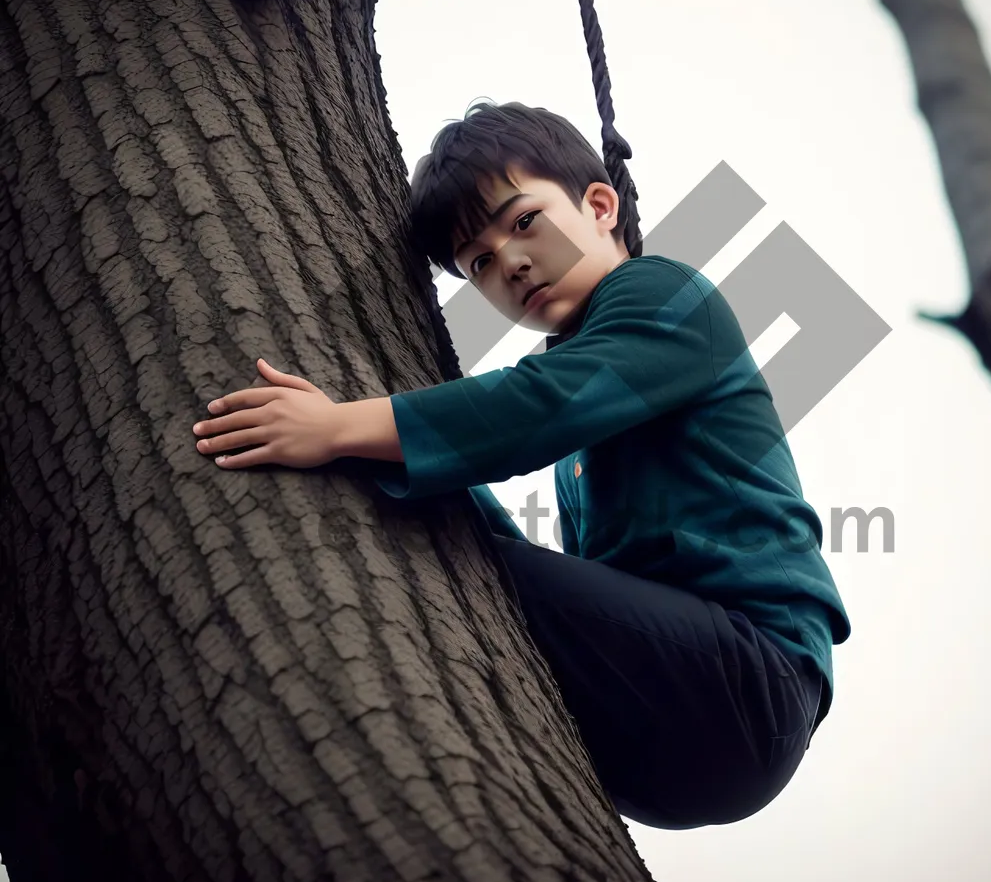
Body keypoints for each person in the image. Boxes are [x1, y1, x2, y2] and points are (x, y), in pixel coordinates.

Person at [192, 101, 851, 830]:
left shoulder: (662, 294)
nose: (508, 260)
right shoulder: (576, 390)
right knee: (458, 537)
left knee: (454, 553)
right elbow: (522, 524)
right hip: (651, 753)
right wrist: (403, 463)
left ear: (600, 205)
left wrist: (340, 427)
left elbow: (532, 409)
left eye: (524, 221)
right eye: (478, 261)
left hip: (748, 686)